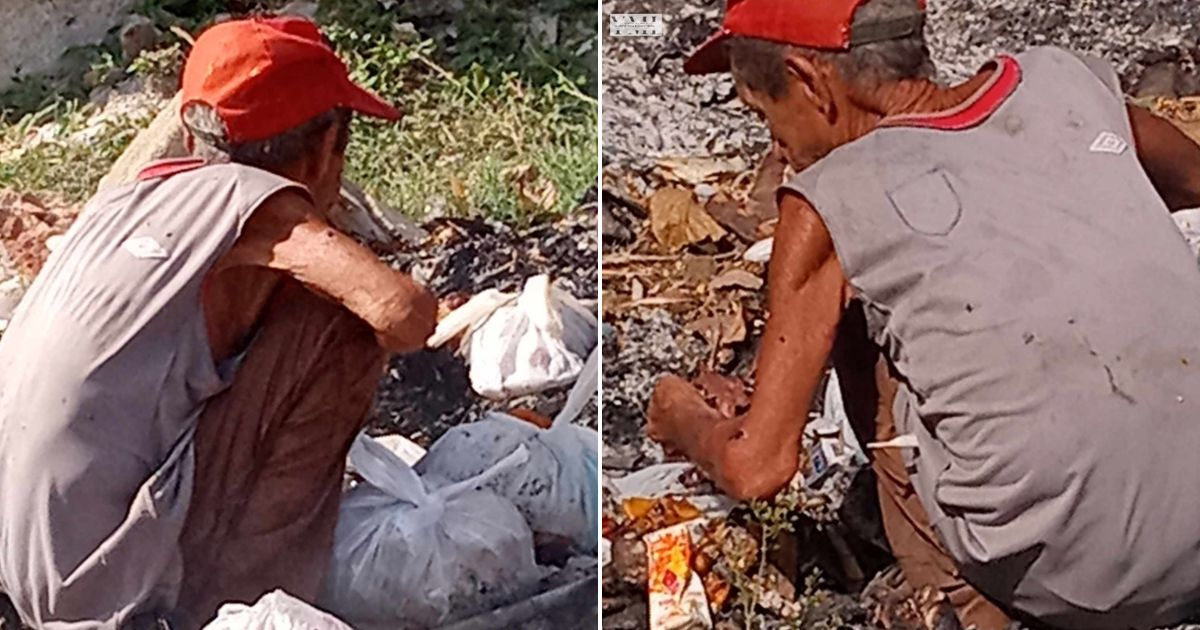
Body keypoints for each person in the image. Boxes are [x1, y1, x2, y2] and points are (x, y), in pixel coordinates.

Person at [646, 0, 1200, 628]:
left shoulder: (831, 197)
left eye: (765, 114)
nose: (776, 146)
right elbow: (1191, 180)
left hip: (1083, 581)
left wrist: (680, 414)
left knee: (856, 327)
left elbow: (758, 467)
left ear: (807, 81)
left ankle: (964, 606)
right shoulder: (1060, 81)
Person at [0, 16, 438, 630]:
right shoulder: (256, 201)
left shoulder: (119, 203)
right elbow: (402, 316)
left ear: (188, 128)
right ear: (320, 149)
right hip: (93, 591)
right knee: (342, 328)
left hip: (20, 565)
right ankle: (249, 606)